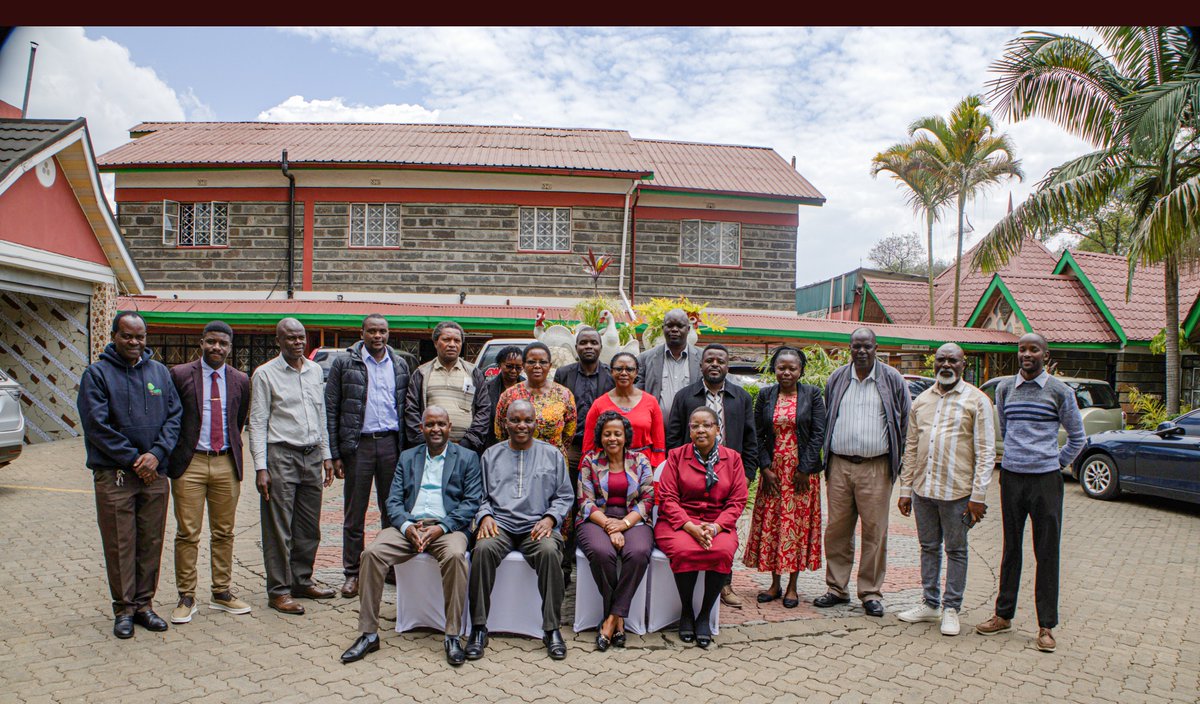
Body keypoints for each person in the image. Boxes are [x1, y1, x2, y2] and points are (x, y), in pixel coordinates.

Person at [340, 406, 482, 667]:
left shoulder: (467, 458)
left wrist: (442, 528)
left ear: (450, 427)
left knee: (455, 556)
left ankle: (452, 635)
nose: (436, 429)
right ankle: (369, 633)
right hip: (409, 527)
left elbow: (471, 502)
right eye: (430, 425)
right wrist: (407, 527)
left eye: (441, 424)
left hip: (446, 528)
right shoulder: (407, 457)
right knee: (371, 554)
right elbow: (392, 500)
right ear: (421, 429)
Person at [976, 333, 1085, 653]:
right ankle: (1003, 614)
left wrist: (1054, 464)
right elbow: (1007, 430)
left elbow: (1077, 438)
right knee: (1011, 549)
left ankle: (1046, 626)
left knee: (1046, 552)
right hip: (1012, 477)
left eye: (1033, 349)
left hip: (1046, 482)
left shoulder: (1059, 391)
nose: (1026, 354)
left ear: (1045, 354)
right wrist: (1018, 458)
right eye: (1022, 349)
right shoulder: (1006, 389)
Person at [78, 311, 182, 639]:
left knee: (151, 540)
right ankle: (123, 609)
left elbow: (174, 417)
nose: (135, 342)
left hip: (154, 473)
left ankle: (144, 605)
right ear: (114, 336)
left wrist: (156, 455)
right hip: (116, 475)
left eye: (140, 336)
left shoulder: (160, 373)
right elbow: (97, 426)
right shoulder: (96, 375)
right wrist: (135, 458)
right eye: (128, 336)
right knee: (120, 543)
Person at [896, 343, 995, 637]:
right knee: (928, 547)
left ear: (963, 364)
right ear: (934, 364)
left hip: (958, 493)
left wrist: (978, 497)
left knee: (956, 550)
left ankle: (951, 608)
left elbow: (986, 451)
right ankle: (930, 603)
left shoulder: (977, 401)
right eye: (941, 360)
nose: (946, 365)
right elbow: (911, 447)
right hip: (924, 490)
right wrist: (905, 488)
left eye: (953, 360)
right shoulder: (922, 401)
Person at [467, 400, 574, 661]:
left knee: (550, 552)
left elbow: (564, 496)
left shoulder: (552, 455)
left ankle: (551, 629)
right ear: (505, 423)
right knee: (482, 549)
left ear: (536, 423)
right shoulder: (491, 455)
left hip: (536, 526)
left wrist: (550, 519)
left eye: (527, 420)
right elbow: (478, 496)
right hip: (500, 524)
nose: (521, 425)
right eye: (515, 420)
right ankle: (479, 628)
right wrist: (485, 517)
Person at [814, 327, 910, 618]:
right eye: (856, 346)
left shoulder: (892, 379)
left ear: (876, 347)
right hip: (840, 464)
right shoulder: (838, 378)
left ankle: (870, 592)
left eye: (867, 346)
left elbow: (904, 421)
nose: (861, 351)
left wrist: (898, 462)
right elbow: (829, 415)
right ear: (850, 348)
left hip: (876, 467)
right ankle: (836, 588)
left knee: (874, 531)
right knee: (837, 529)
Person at [166, 320, 252, 625]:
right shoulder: (179, 375)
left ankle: (221, 592)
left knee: (224, 532)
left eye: (223, 343)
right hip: (190, 462)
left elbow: (238, 420)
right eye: (211, 342)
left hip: (226, 462)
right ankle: (186, 596)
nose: (217, 347)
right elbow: (172, 417)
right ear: (201, 343)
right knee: (187, 533)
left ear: (230, 347)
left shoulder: (241, 379)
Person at [249, 318, 336, 615]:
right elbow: (257, 422)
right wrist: (261, 467)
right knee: (279, 527)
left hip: (311, 455)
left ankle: (301, 580)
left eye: (301, 337)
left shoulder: (314, 371)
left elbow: (320, 414)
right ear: (278, 341)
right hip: (281, 455)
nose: (297, 342)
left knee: (308, 526)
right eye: (290, 338)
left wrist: (326, 456)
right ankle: (279, 590)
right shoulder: (265, 374)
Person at [665, 343, 757, 609]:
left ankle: (724, 584)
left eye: (721, 361)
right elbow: (674, 437)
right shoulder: (685, 396)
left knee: (725, 528)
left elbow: (750, 438)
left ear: (727, 366)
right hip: (691, 474)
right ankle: (691, 592)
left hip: (730, 473)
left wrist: (747, 474)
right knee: (692, 531)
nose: (715, 364)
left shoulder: (741, 397)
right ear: (701, 365)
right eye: (709, 360)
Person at [325, 314, 410, 599]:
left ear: (389, 333)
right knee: (354, 512)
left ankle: (388, 566)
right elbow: (332, 408)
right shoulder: (344, 363)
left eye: (383, 331)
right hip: (358, 446)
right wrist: (335, 453)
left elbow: (405, 407)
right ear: (361, 333)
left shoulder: (400, 364)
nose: (377, 336)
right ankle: (352, 572)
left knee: (392, 510)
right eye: (372, 331)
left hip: (390, 444)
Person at [654, 406, 748, 648]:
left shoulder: (733, 459)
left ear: (717, 429)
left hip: (717, 523)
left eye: (706, 425)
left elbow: (737, 501)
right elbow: (667, 498)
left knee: (722, 551)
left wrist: (716, 528)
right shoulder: (676, 456)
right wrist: (690, 526)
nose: (700, 430)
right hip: (679, 522)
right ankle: (687, 611)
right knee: (685, 550)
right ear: (689, 430)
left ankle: (704, 614)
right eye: (695, 426)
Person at [743, 346, 827, 609]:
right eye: (782, 367)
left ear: (801, 370)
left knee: (797, 529)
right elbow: (756, 434)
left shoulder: (812, 395)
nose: (787, 372)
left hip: (801, 476)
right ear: (775, 369)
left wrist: (805, 468)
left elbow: (817, 434)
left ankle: (792, 586)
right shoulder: (766, 395)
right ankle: (774, 583)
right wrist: (765, 469)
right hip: (774, 475)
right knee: (774, 526)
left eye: (792, 368)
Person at [576, 410, 655, 651]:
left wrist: (624, 524)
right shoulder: (590, 460)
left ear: (625, 436)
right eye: (607, 434)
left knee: (639, 552)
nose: (612, 438)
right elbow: (584, 501)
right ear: (600, 437)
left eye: (617, 434)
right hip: (596, 520)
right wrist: (610, 527)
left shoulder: (640, 461)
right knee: (602, 553)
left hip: (633, 519)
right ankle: (618, 619)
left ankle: (610, 619)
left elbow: (648, 497)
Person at [553, 327, 614, 582]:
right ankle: (564, 567)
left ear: (600, 346)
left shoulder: (611, 374)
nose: (588, 347)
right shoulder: (564, 374)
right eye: (583, 343)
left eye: (593, 342)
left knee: (596, 504)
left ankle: (593, 562)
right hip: (571, 448)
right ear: (576, 347)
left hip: (602, 452)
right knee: (568, 505)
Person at [405, 321, 491, 453]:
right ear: (435, 343)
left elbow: (484, 409)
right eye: (446, 340)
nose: (452, 345)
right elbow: (411, 410)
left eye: (457, 340)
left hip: (465, 450)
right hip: (430, 450)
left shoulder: (473, 373)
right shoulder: (422, 373)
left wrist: (467, 443)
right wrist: (426, 442)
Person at [493, 342, 577, 457]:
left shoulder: (564, 394)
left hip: (553, 460)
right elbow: (500, 432)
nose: (537, 366)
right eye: (532, 362)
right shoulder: (509, 395)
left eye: (543, 362)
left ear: (550, 365)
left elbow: (569, 433)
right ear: (523, 365)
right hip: (518, 458)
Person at [582, 352, 666, 467]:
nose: (624, 373)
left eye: (629, 369)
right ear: (611, 372)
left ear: (636, 373)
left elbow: (659, 444)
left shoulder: (651, 402)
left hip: (644, 466)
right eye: (619, 369)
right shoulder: (599, 404)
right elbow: (589, 445)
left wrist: (656, 469)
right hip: (608, 466)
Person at [636, 307, 701, 424]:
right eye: (669, 326)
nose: (674, 330)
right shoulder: (645, 359)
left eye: (680, 326)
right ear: (663, 329)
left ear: (688, 329)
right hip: (655, 431)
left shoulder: (703, 358)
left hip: (691, 432)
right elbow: (636, 394)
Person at [482, 345, 526, 450]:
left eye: (518, 367)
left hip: (522, 442)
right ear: (500, 365)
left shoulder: (527, 388)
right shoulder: (487, 389)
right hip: (493, 444)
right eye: (509, 366)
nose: (514, 371)